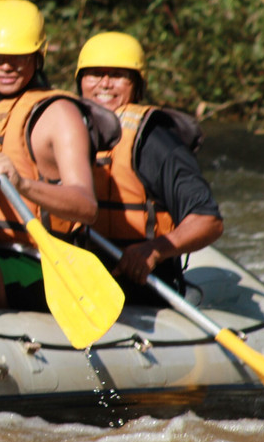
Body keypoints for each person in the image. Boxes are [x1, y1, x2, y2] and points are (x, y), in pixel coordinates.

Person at [0, 0, 100, 310]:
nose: (5, 67)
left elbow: (86, 206)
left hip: (39, 262)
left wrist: (23, 185)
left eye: (19, 57)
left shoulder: (59, 115)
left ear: (38, 56)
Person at [76, 31, 223, 298]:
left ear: (137, 85)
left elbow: (208, 220)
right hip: (77, 280)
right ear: (80, 82)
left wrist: (154, 250)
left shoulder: (154, 141)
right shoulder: (62, 130)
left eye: (119, 75)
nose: (105, 84)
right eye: (95, 73)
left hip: (143, 285)